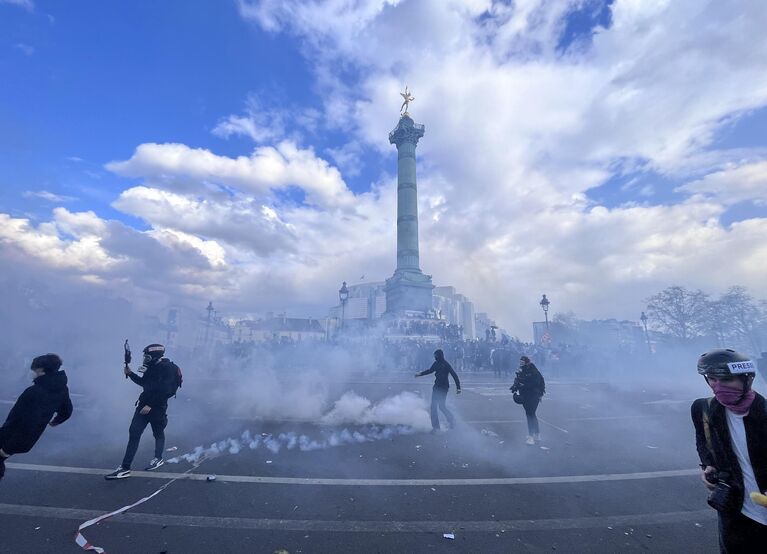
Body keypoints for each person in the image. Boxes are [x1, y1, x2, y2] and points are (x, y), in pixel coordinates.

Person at [691, 349, 767, 552]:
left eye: (726, 379)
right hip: (733, 509)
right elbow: (703, 440)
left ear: (747, 379)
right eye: (712, 379)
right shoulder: (703, 409)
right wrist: (708, 465)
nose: (718, 386)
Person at [106, 344, 179, 480]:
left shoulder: (168, 369)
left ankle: (158, 458)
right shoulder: (151, 368)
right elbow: (144, 384)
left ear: (155, 356)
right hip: (143, 405)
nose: (145, 358)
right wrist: (131, 374)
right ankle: (125, 467)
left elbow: (167, 391)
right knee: (134, 433)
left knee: (158, 433)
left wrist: (151, 405)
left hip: (157, 408)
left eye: (147, 356)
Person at [0, 354, 73, 481]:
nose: (32, 372)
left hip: (11, 437)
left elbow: (28, 423)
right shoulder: (61, 388)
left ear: (41, 370)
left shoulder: (34, 392)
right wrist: (56, 421)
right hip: (26, 439)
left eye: (34, 370)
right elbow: (67, 410)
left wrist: (7, 449)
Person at [415, 349, 461, 433]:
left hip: (443, 388)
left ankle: (451, 419)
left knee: (441, 406)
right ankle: (436, 427)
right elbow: (430, 370)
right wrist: (420, 374)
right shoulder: (436, 364)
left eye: (436, 355)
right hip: (437, 387)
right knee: (434, 407)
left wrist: (458, 387)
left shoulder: (446, 364)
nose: (435, 357)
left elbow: (454, 375)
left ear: (439, 355)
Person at [510, 355, 545, 445]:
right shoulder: (521, 370)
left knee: (530, 414)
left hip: (533, 395)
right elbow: (517, 379)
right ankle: (537, 434)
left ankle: (531, 437)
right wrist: (514, 386)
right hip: (525, 395)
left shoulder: (533, 371)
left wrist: (523, 385)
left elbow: (537, 382)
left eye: (523, 362)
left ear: (527, 362)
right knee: (531, 414)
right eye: (520, 362)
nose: (521, 363)